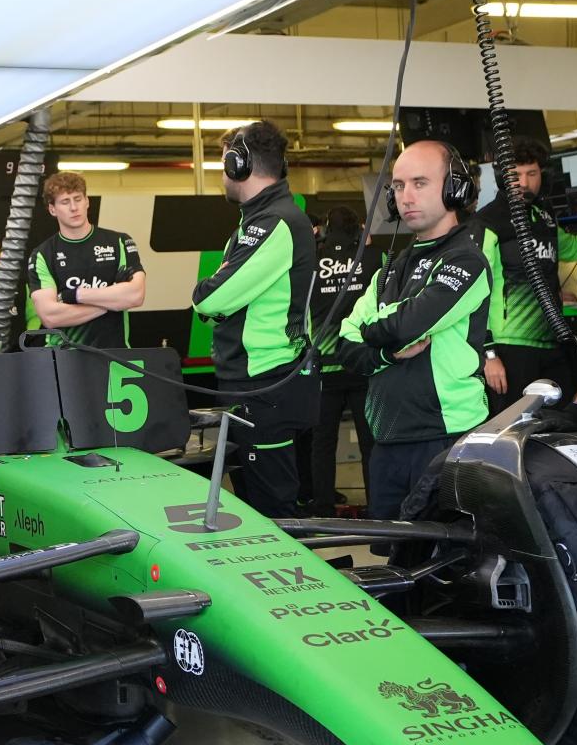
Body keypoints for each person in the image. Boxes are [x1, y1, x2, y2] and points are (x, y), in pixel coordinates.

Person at [338, 141, 491, 518]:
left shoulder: (466, 260)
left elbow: (407, 324)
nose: (406, 196)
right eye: (398, 186)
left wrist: (378, 325)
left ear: (454, 188)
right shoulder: (390, 268)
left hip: (445, 439)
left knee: (445, 552)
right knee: (390, 552)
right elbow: (345, 345)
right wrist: (388, 351)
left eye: (420, 183)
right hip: (387, 440)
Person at [192, 122, 317, 518]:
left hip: (265, 385)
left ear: (238, 164)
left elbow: (208, 299)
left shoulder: (276, 222)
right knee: (251, 508)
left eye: (223, 164)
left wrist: (214, 292)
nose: (223, 174)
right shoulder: (255, 222)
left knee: (272, 512)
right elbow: (220, 300)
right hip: (252, 383)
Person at [479, 136, 577, 410]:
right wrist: (488, 354)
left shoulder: (544, 217)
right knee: (515, 424)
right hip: (510, 347)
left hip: (552, 341)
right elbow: (477, 291)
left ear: (543, 175)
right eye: (516, 175)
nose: (524, 183)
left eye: (532, 174)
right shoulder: (488, 221)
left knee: (564, 417)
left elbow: (573, 246)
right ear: (503, 178)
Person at [299, 206, 374, 512]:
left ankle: (323, 508)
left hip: (324, 366)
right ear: (359, 228)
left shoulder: (311, 261)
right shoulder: (372, 258)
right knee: (370, 443)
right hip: (361, 363)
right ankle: (377, 508)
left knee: (322, 443)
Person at [28, 170, 146, 348]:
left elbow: (136, 295)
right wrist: (113, 301)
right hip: (64, 356)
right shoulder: (43, 254)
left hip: (115, 354)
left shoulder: (119, 242)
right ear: (52, 209)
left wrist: (75, 295)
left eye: (78, 199)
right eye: (65, 202)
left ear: (87, 201)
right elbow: (50, 316)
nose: (73, 207)